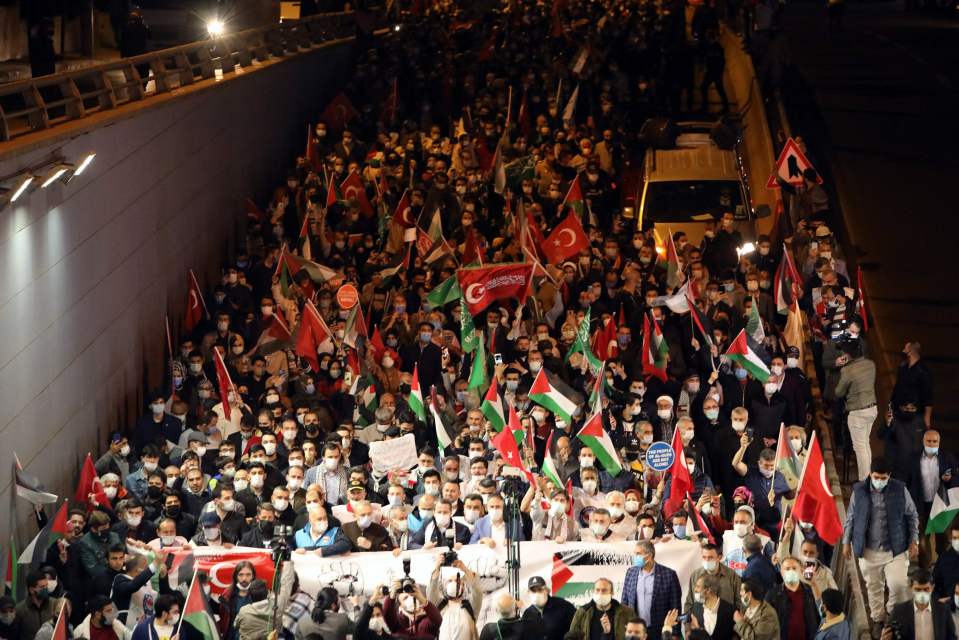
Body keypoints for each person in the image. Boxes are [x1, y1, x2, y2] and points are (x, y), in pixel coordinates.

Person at [843, 457, 919, 636]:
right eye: (876, 477)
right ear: (870, 474)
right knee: (873, 586)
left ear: (889, 476)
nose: (879, 481)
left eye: (883, 478)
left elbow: (912, 515)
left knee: (898, 585)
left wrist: (914, 540)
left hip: (896, 548)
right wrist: (846, 541)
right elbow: (851, 518)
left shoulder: (900, 489)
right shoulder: (859, 490)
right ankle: (878, 619)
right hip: (868, 549)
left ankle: (892, 619)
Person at [834, 337, 877, 481]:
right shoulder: (871, 364)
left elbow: (839, 392)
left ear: (848, 354)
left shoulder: (847, 370)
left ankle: (865, 480)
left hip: (857, 412)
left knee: (859, 447)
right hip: (872, 410)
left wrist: (842, 369)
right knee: (865, 443)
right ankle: (870, 476)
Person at [621, 541, 682, 638]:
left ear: (649, 556)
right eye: (635, 553)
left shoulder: (669, 575)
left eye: (638, 554)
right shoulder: (631, 572)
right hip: (636, 631)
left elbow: (675, 607)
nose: (635, 557)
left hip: (659, 630)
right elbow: (624, 601)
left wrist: (674, 634)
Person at [882, 568, 956, 640]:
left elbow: (952, 637)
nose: (922, 593)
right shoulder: (898, 611)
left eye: (926, 589)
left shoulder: (943, 610)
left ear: (932, 588)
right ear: (911, 588)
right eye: (918, 589)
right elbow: (888, 635)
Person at [765, 557, 820, 640]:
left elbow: (820, 614)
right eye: (787, 569)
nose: (791, 571)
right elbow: (766, 622)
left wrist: (814, 585)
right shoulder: (772, 595)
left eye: (794, 568)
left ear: (800, 571)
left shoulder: (809, 591)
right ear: (782, 572)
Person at [567, 578, 638, 640]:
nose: (600, 593)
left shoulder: (627, 612)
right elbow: (572, 636)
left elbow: (636, 636)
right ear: (593, 592)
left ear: (612, 592)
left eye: (604, 590)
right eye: (597, 590)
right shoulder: (582, 612)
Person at [522, 575, 577, 640]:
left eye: (540, 590)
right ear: (528, 593)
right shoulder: (527, 613)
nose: (536, 593)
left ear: (547, 590)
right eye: (533, 591)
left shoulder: (564, 606)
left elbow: (577, 628)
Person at [688, 574, 736, 638]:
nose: (695, 590)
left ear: (708, 590)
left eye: (698, 586)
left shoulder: (730, 610)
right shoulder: (696, 608)